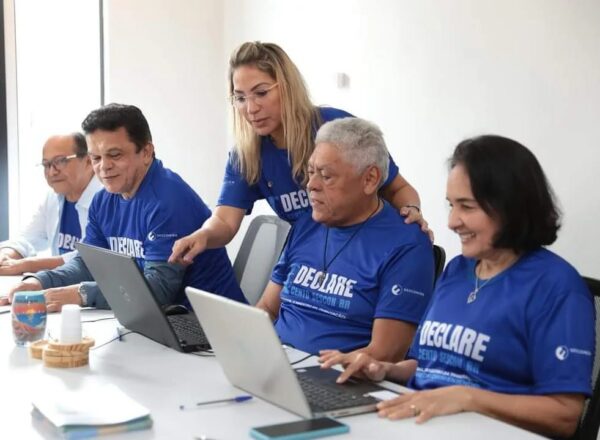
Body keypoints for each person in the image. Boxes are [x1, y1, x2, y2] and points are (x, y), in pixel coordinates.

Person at [320, 135, 595, 438]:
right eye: (451, 205)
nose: (452, 222)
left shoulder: (557, 287)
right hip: (421, 424)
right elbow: (427, 366)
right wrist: (384, 369)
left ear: (511, 207)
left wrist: (467, 398)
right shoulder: (457, 269)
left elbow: (564, 415)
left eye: (467, 207)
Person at [169, 41, 430, 266]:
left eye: (261, 93)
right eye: (240, 98)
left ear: (287, 87)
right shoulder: (247, 154)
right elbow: (225, 221)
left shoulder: (334, 129)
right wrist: (202, 235)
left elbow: (398, 188)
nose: (251, 108)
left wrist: (411, 211)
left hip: (370, 252)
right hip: (315, 259)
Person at [1, 103, 245, 312]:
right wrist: (39, 281)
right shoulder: (103, 200)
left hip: (205, 326)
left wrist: (81, 294)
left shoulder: (168, 201)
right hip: (158, 320)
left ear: (146, 152)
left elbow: (159, 290)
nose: (104, 167)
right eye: (96, 158)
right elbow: (88, 263)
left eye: (115, 155)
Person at [257, 117, 434, 360]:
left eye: (326, 176)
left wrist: (316, 369)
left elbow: (385, 354)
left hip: (339, 376)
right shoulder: (306, 224)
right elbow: (268, 308)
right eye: (311, 172)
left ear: (369, 179)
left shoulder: (407, 246)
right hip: (274, 362)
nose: (311, 185)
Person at [0, 133, 102, 275]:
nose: (52, 172)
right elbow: (28, 238)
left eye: (61, 161)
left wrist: (27, 265)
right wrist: (6, 254)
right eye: (46, 165)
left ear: (88, 161)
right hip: (60, 282)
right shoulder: (54, 197)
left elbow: (90, 258)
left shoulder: (105, 198)